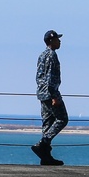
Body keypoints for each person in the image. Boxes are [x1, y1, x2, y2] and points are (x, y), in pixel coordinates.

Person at [32, 29, 68, 166]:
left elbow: (39, 76)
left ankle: (45, 156)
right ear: (51, 41)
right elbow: (50, 77)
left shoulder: (42, 55)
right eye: (58, 39)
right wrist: (54, 95)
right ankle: (43, 143)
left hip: (41, 93)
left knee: (48, 123)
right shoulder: (51, 55)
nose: (60, 41)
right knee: (62, 119)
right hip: (50, 92)